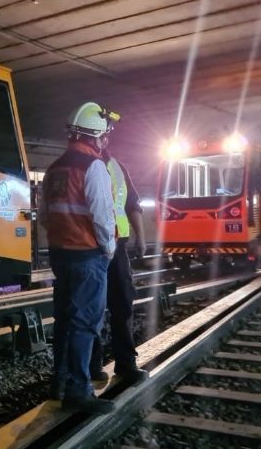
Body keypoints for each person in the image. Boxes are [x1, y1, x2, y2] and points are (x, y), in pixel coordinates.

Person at [40, 101, 116, 414]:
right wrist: (108, 248)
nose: (105, 141)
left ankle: (59, 382)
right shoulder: (93, 167)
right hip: (88, 255)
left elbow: (44, 215)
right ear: (96, 137)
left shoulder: (54, 169)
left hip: (60, 254)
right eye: (104, 136)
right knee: (84, 323)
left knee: (65, 321)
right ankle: (78, 390)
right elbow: (102, 216)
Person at [89, 134, 150, 385]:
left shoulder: (116, 167)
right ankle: (93, 366)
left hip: (118, 248)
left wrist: (141, 237)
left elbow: (132, 204)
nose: (102, 141)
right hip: (91, 248)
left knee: (122, 304)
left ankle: (126, 363)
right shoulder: (84, 166)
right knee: (92, 309)